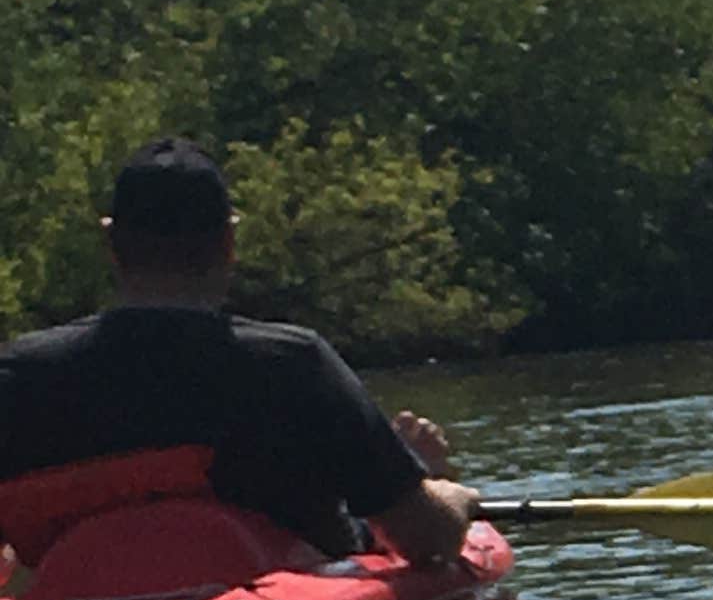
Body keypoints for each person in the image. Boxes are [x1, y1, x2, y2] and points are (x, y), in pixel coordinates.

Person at [0, 139, 481, 564]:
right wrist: (437, 486)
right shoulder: (294, 365)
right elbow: (426, 539)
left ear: (111, 242)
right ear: (229, 242)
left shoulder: (18, 375)